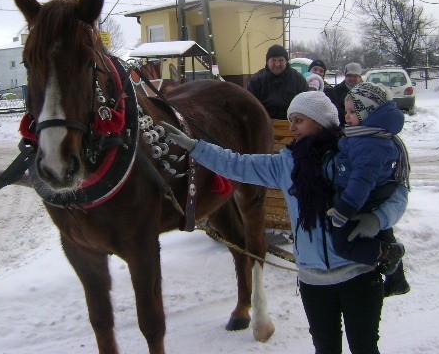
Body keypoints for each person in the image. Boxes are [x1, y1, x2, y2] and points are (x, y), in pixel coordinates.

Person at [161, 91, 408, 354]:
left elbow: (397, 193)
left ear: (320, 121)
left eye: (299, 120)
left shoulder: (353, 155)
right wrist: (196, 148)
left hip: (359, 274)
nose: (292, 127)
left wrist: (377, 218)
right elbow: (236, 164)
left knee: (365, 348)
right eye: (291, 120)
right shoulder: (287, 164)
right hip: (313, 281)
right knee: (325, 349)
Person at [327, 82, 409, 278]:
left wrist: (344, 209)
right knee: (379, 232)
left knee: (342, 242)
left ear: (369, 113)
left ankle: (386, 254)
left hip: (363, 198)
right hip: (369, 195)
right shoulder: (368, 135)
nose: (346, 116)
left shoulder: (369, 143)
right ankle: (396, 278)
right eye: (346, 111)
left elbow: (362, 180)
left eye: (353, 112)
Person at [246, 44, 308, 119]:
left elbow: (306, 104)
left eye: (281, 60)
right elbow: (248, 104)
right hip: (264, 123)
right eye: (273, 60)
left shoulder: (298, 79)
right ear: (267, 62)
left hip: (291, 124)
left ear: (286, 62)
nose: (277, 64)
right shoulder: (257, 80)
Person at [327, 62, 363, 126]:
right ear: (345, 76)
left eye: (355, 76)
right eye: (349, 75)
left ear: (360, 77)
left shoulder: (366, 91)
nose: (352, 78)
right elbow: (335, 111)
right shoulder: (336, 91)